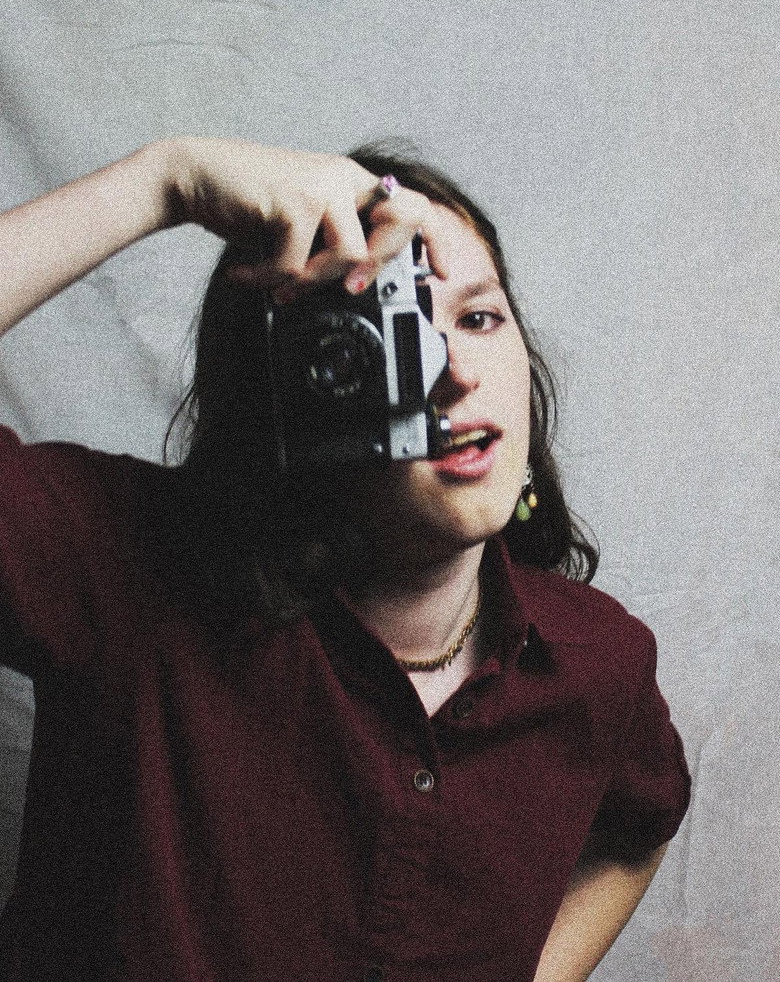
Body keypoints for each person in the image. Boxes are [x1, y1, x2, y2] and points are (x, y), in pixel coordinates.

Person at [0, 137, 690, 982]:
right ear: (290, 390)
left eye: (478, 319)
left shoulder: (597, 664)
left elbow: (637, 831)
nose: (452, 373)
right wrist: (164, 181)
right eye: (392, 335)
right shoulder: (119, 564)